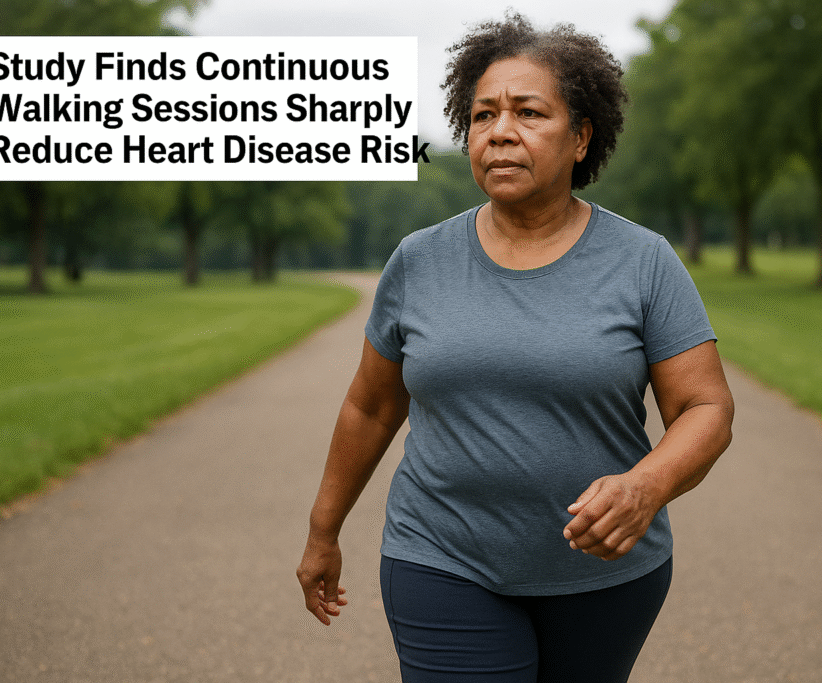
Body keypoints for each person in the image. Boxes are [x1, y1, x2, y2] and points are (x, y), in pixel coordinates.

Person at [297, 13, 734, 683]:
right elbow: (371, 406)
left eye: (529, 113)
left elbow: (705, 405)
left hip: (606, 573)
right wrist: (323, 530)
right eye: (483, 116)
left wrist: (647, 485)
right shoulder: (419, 260)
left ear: (582, 137)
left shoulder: (644, 261)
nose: (500, 131)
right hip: (440, 556)